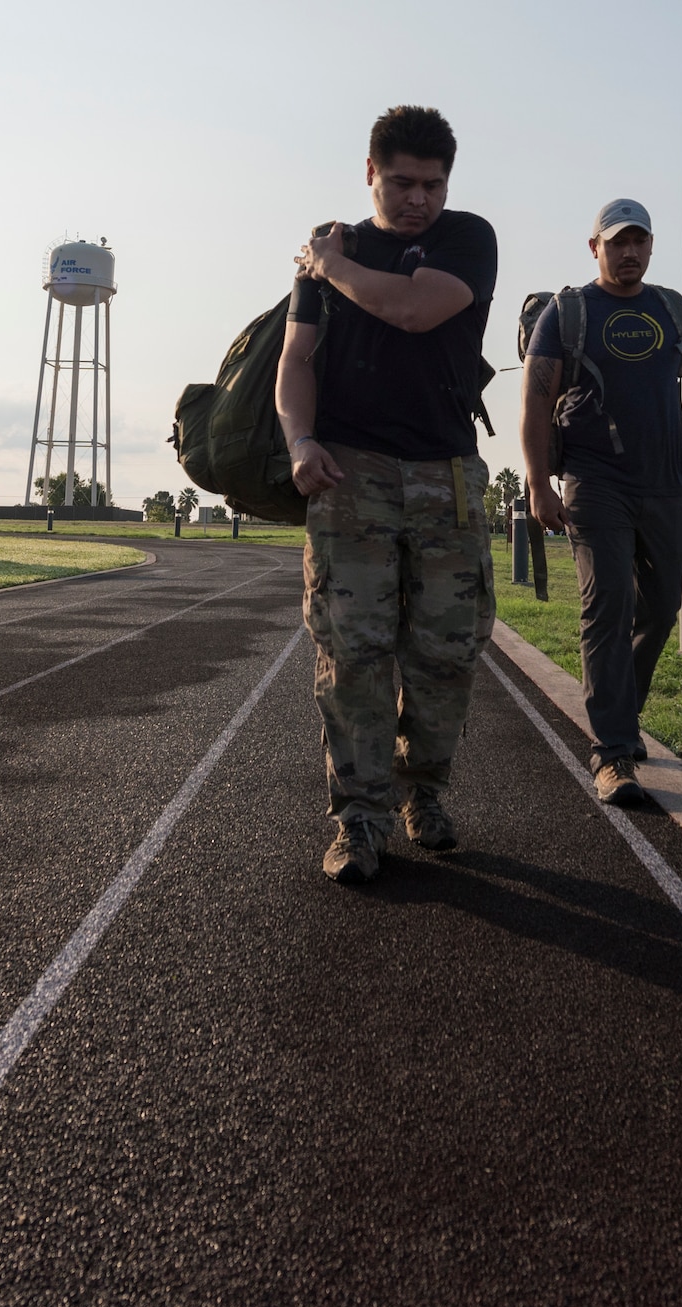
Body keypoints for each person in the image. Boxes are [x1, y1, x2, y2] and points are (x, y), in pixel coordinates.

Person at [277, 105, 498, 884]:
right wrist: (300, 440)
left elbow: (413, 309)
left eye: (433, 184)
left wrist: (325, 262)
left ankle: (424, 792)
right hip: (350, 473)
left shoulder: (466, 238)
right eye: (402, 182)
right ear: (371, 171)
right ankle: (358, 821)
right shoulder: (338, 248)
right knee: (354, 655)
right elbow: (297, 358)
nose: (419, 200)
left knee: (446, 655)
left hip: (447, 474)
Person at [519, 199, 682, 806]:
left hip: (667, 482)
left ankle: (620, 713)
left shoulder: (673, 310)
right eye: (617, 242)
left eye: (639, 241)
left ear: (651, 246)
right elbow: (536, 401)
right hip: (595, 484)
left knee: (662, 605)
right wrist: (539, 483)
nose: (630, 252)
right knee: (607, 606)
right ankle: (614, 753)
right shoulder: (567, 313)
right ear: (594, 247)